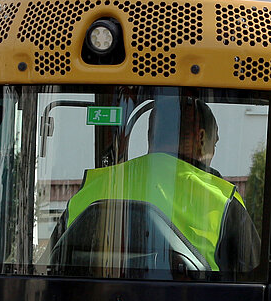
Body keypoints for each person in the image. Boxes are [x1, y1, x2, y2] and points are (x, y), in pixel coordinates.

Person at [59, 97, 259, 273]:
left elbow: (53, 262)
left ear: (151, 136)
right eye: (214, 144)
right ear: (201, 138)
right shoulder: (222, 200)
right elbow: (252, 278)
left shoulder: (93, 186)